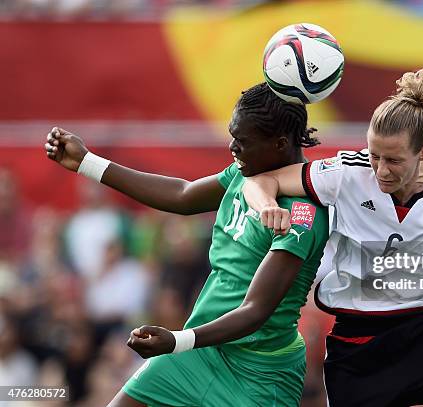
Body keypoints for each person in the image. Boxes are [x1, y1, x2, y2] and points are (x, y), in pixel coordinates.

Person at [244, 68, 423, 407]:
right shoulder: (346, 173)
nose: (380, 170)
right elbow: (259, 181)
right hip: (358, 340)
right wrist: (267, 206)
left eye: (393, 160)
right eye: (374, 155)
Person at [44, 83, 329, 407]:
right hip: (199, 353)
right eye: (233, 135)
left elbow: (255, 311)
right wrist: (87, 163)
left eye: (243, 141)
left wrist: (178, 340)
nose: (233, 148)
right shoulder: (246, 173)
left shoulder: (303, 213)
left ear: (279, 144)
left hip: (259, 374)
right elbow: (182, 194)